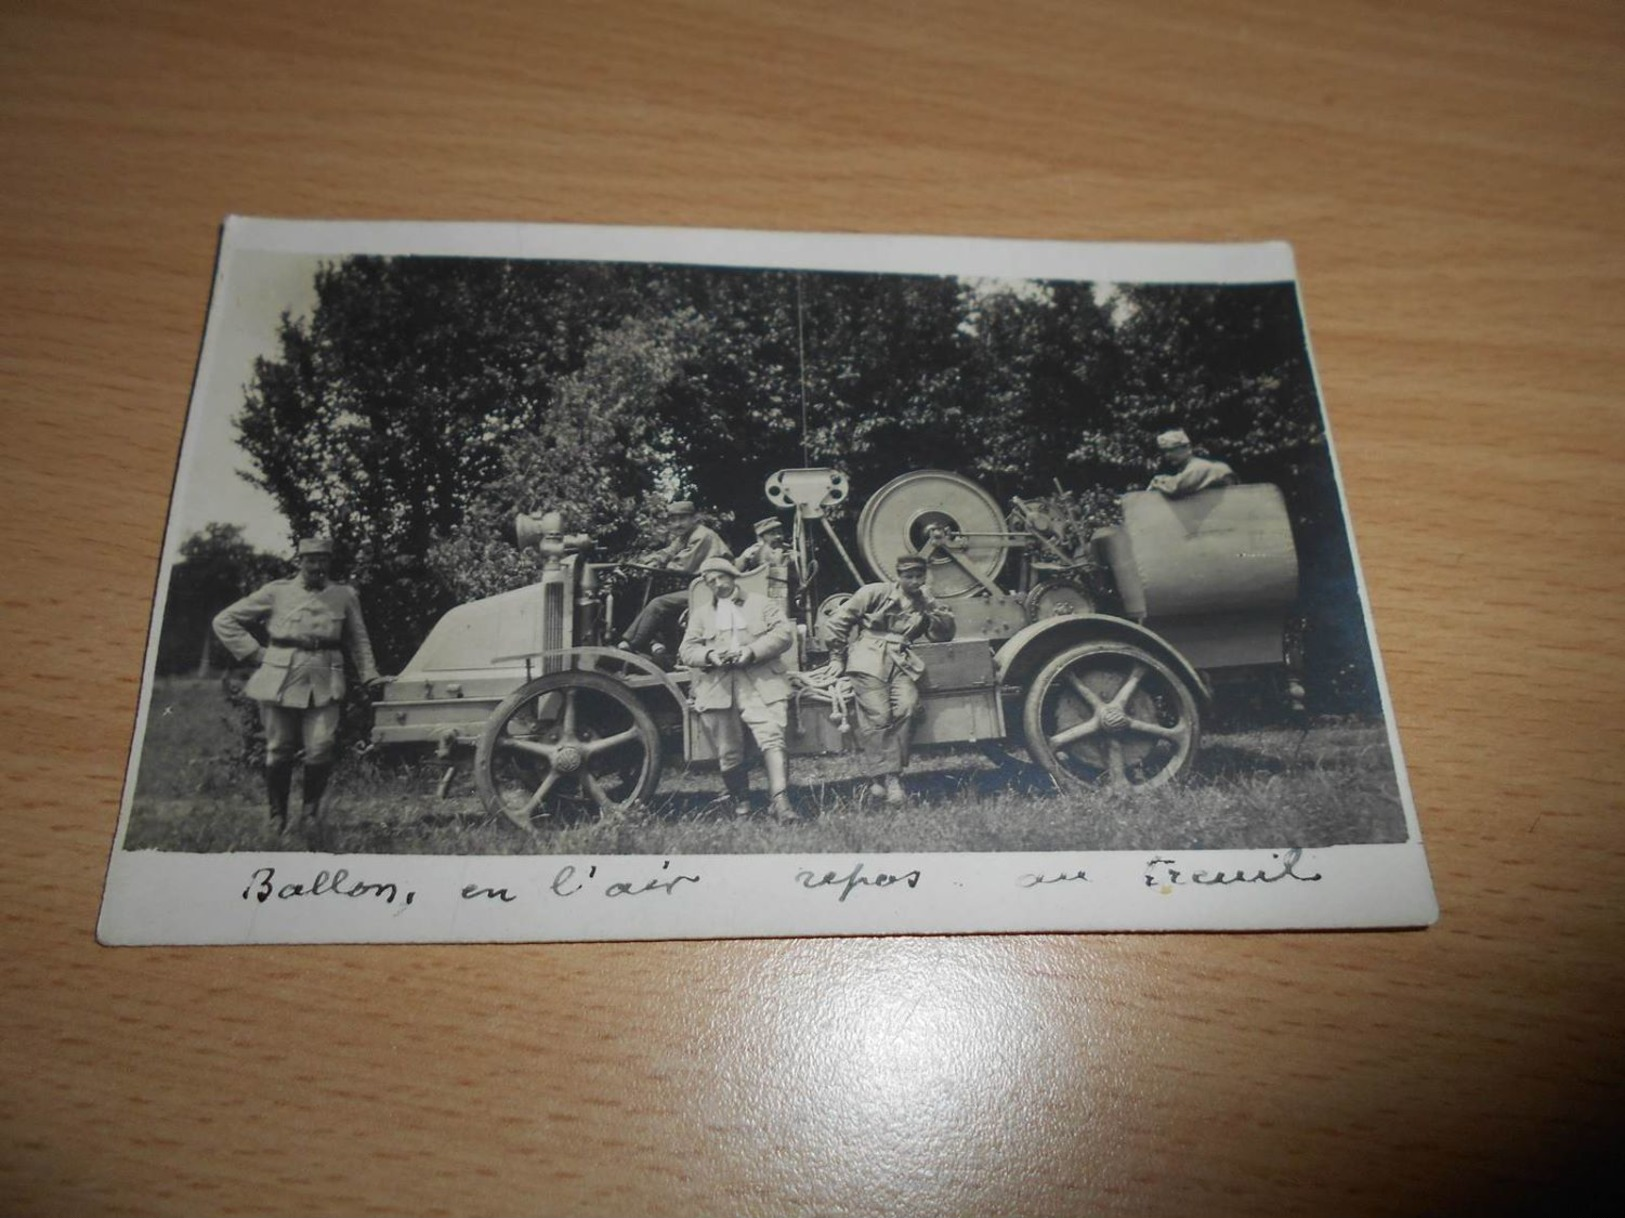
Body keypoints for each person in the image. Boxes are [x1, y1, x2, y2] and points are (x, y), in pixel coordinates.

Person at [212, 537, 383, 835]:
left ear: (329, 563)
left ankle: (310, 814)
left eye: (322, 560)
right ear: (299, 562)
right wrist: (255, 653)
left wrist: (369, 673)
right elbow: (225, 620)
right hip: (280, 678)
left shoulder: (344, 595)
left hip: (326, 678)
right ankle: (277, 816)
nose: (317, 566)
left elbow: (359, 639)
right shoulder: (277, 593)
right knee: (278, 749)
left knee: (321, 746)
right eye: (311, 560)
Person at [822, 553, 955, 804]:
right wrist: (836, 657)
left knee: (907, 708)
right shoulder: (874, 593)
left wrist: (933, 607)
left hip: (902, 662)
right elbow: (838, 622)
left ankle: (878, 775)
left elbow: (944, 635)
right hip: (867, 659)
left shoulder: (925, 602)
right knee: (879, 716)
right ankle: (892, 779)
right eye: (909, 576)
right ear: (898, 576)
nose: (915, 581)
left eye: (919, 576)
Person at [679, 557, 797, 820]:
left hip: (761, 681)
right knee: (728, 751)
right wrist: (710, 656)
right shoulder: (701, 615)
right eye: (711, 581)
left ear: (732, 576)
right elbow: (687, 650)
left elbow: (783, 634)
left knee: (772, 737)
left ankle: (780, 801)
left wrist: (751, 651)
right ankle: (741, 801)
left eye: (721, 578)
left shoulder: (762, 604)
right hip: (719, 687)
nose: (718, 584)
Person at [619, 500, 731, 658]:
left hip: (715, 588)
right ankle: (670, 656)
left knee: (659, 604)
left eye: (682, 518)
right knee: (666, 610)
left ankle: (631, 646)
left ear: (694, 518)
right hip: (701, 587)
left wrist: (660, 566)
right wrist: (652, 560)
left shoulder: (702, 535)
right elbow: (669, 552)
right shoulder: (685, 537)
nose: (677, 524)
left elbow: (682, 565)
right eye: (673, 520)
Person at [735, 516, 804, 609]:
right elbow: (736, 572)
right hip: (760, 596)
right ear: (761, 538)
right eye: (772, 534)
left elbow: (798, 578)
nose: (778, 536)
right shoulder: (753, 552)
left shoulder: (788, 551)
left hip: (785, 598)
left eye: (780, 532)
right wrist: (745, 557)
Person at [1147, 428, 1236, 498]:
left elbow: (1177, 486)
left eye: (1172, 449)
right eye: (1164, 451)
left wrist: (1157, 481)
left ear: (1187, 447)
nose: (1167, 455)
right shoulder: (1186, 469)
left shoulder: (1201, 466)